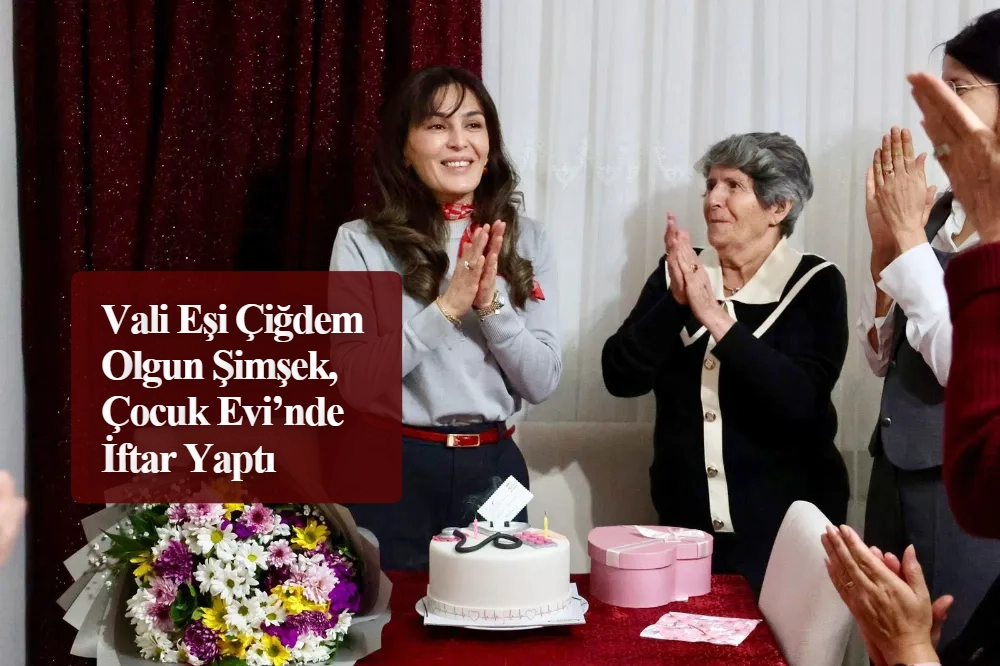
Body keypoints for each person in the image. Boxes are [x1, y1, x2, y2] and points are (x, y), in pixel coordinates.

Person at [328, 66, 561, 570]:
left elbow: (542, 382)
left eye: (473, 125)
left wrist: (491, 307)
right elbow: (355, 381)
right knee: (392, 619)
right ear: (405, 150)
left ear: (490, 144)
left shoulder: (529, 239)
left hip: (494, 470)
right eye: (437, 126)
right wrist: (447, 309)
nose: (459, 141)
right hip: (391, 466)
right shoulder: (361, 241)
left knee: (495, 614)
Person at [601, 132, 850, 596]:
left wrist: (714, 317)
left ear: (779, 208)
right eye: (710, 185)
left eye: (733, 186)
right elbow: (620, 376)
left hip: (786, 533)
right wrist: (677, 302)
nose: (713, 199)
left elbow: (798, 400)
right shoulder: (679, 271)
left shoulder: (816, 283)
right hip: (685, 531)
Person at [858, 12, 1000, 648]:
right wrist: (883, 250)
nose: (937, 111)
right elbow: (883, 358)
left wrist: (909, 244)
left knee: (951, 645)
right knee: (888, 642)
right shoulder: (943, 206)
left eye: (959, 89)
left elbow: (964, 364)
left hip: (965, 478)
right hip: (894, 463)